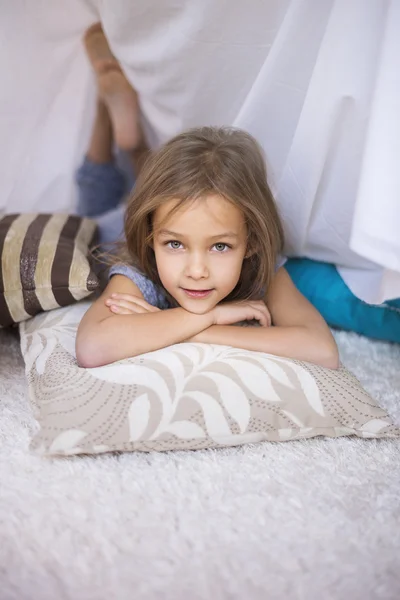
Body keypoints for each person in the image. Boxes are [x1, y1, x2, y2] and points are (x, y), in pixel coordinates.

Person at [76, 125, 339, 369]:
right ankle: (121, 132)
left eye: (220, 247)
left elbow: (322, 350)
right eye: (175, 244)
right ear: (150, 239)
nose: (197, 271)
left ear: (252, 243)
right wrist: (212, 315)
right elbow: (92, 347)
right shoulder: (139, 270)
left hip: (153, 216)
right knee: (93, 214)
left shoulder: (261, 270)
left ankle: (133, 145)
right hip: (109, 233)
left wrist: (196, 330)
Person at [75, 23, 148, 244]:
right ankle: (134, 147)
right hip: (124, 240)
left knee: (93, 227)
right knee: (150, 212)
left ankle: (105, 109)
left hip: (107, 242)